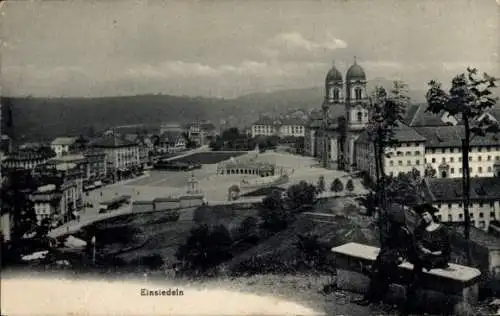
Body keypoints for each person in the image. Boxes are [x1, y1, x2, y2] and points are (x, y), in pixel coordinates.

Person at [354, 203, 414, 306]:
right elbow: (388, 245)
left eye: (391, 220)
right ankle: (370, 297)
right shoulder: (396, 230)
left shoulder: (402, 232)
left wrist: (401, 257)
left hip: (395, 257)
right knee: (379, 272)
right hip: (390, 256)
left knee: (379, 273)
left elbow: (406, 248)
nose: (391, 222)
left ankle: (369, 297)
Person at [403, 203, 451, 314]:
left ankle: (412, 306)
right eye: (422, 216)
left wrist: (434, 253)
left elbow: (446, 249)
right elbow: (417, 242)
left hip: (439, 258)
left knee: (417, 269)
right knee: (417, 269)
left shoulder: (442, 229)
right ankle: (415, 305)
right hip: (424, 257)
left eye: (426, 214)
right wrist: (423, 249)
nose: (424, 217)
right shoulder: (420, 229)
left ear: (432, 214)